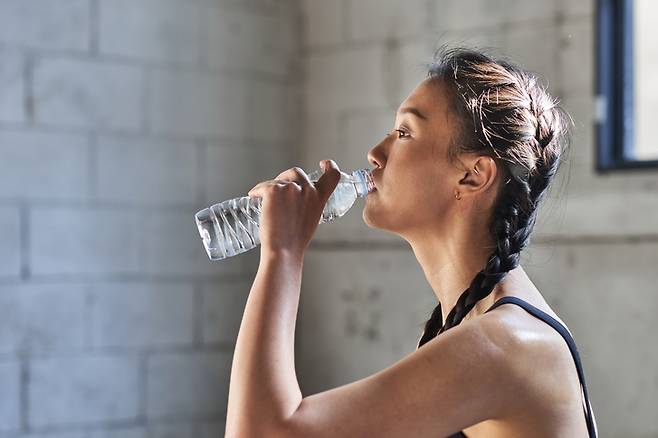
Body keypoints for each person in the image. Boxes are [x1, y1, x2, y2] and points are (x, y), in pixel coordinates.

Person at [227, 46, 599, 438]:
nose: (374, 154)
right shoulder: (469, 326)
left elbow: (261, 433)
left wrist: (283, 253)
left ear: (473, 176)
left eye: (404, 132)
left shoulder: (505, 345)